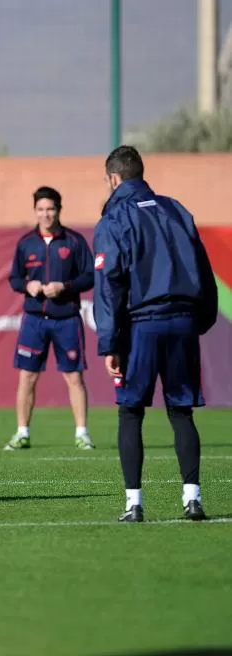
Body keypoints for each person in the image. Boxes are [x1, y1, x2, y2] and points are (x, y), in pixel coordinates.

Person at [93, 145, 217, 523]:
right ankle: (192, 499)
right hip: (182, 320)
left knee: (130, 412)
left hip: (141, 325)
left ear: (114, 179)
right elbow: (204, 270)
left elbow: (109, 283)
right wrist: (202, 321)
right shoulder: (176, 210)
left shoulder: (114, 219)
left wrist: (110, 342)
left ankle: (134, 504)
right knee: (181, 411)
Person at [5, 186, 95, 451]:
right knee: (27, 377)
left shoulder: (74, 241)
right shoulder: (26, 243)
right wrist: (27, 286)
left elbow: (90, 276)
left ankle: (82, 433)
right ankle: (22, 433)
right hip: (34, 320)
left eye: (50, 209)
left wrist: (64, 286)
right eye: (41, 209)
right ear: (35, 211)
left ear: (59, 210)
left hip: (66, 318)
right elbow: (14, 278)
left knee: (74, 377)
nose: (45, 215)